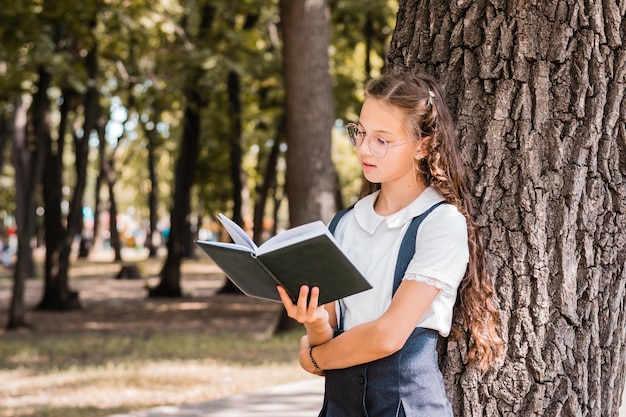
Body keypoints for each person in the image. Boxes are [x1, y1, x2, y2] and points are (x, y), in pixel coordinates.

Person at [277, 71, 504, 416]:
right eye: (362, 133)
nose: (365, 148)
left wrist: (312, 357)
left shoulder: (440, 223)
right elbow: (329, 325)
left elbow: (387, 336)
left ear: (422, 146)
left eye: (382, 140)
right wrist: (314, 323)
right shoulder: (345, 223)